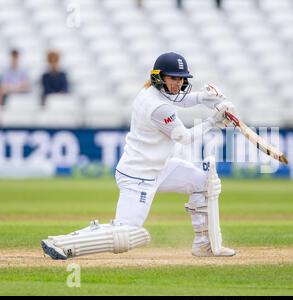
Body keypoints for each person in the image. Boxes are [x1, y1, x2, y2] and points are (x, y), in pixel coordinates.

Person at [41, 52, 236, 260]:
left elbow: (180, 98)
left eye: (181, 78)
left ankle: (204, 245)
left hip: (160, 167)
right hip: (138, 176)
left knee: (202, 182)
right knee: (126, 233)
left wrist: (203, 98)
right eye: (173, 78)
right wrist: (212, 122)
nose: (178, 83)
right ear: (159, 77)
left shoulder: (153, 92)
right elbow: (184, 137)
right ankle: (64, 243)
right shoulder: (158, 107)